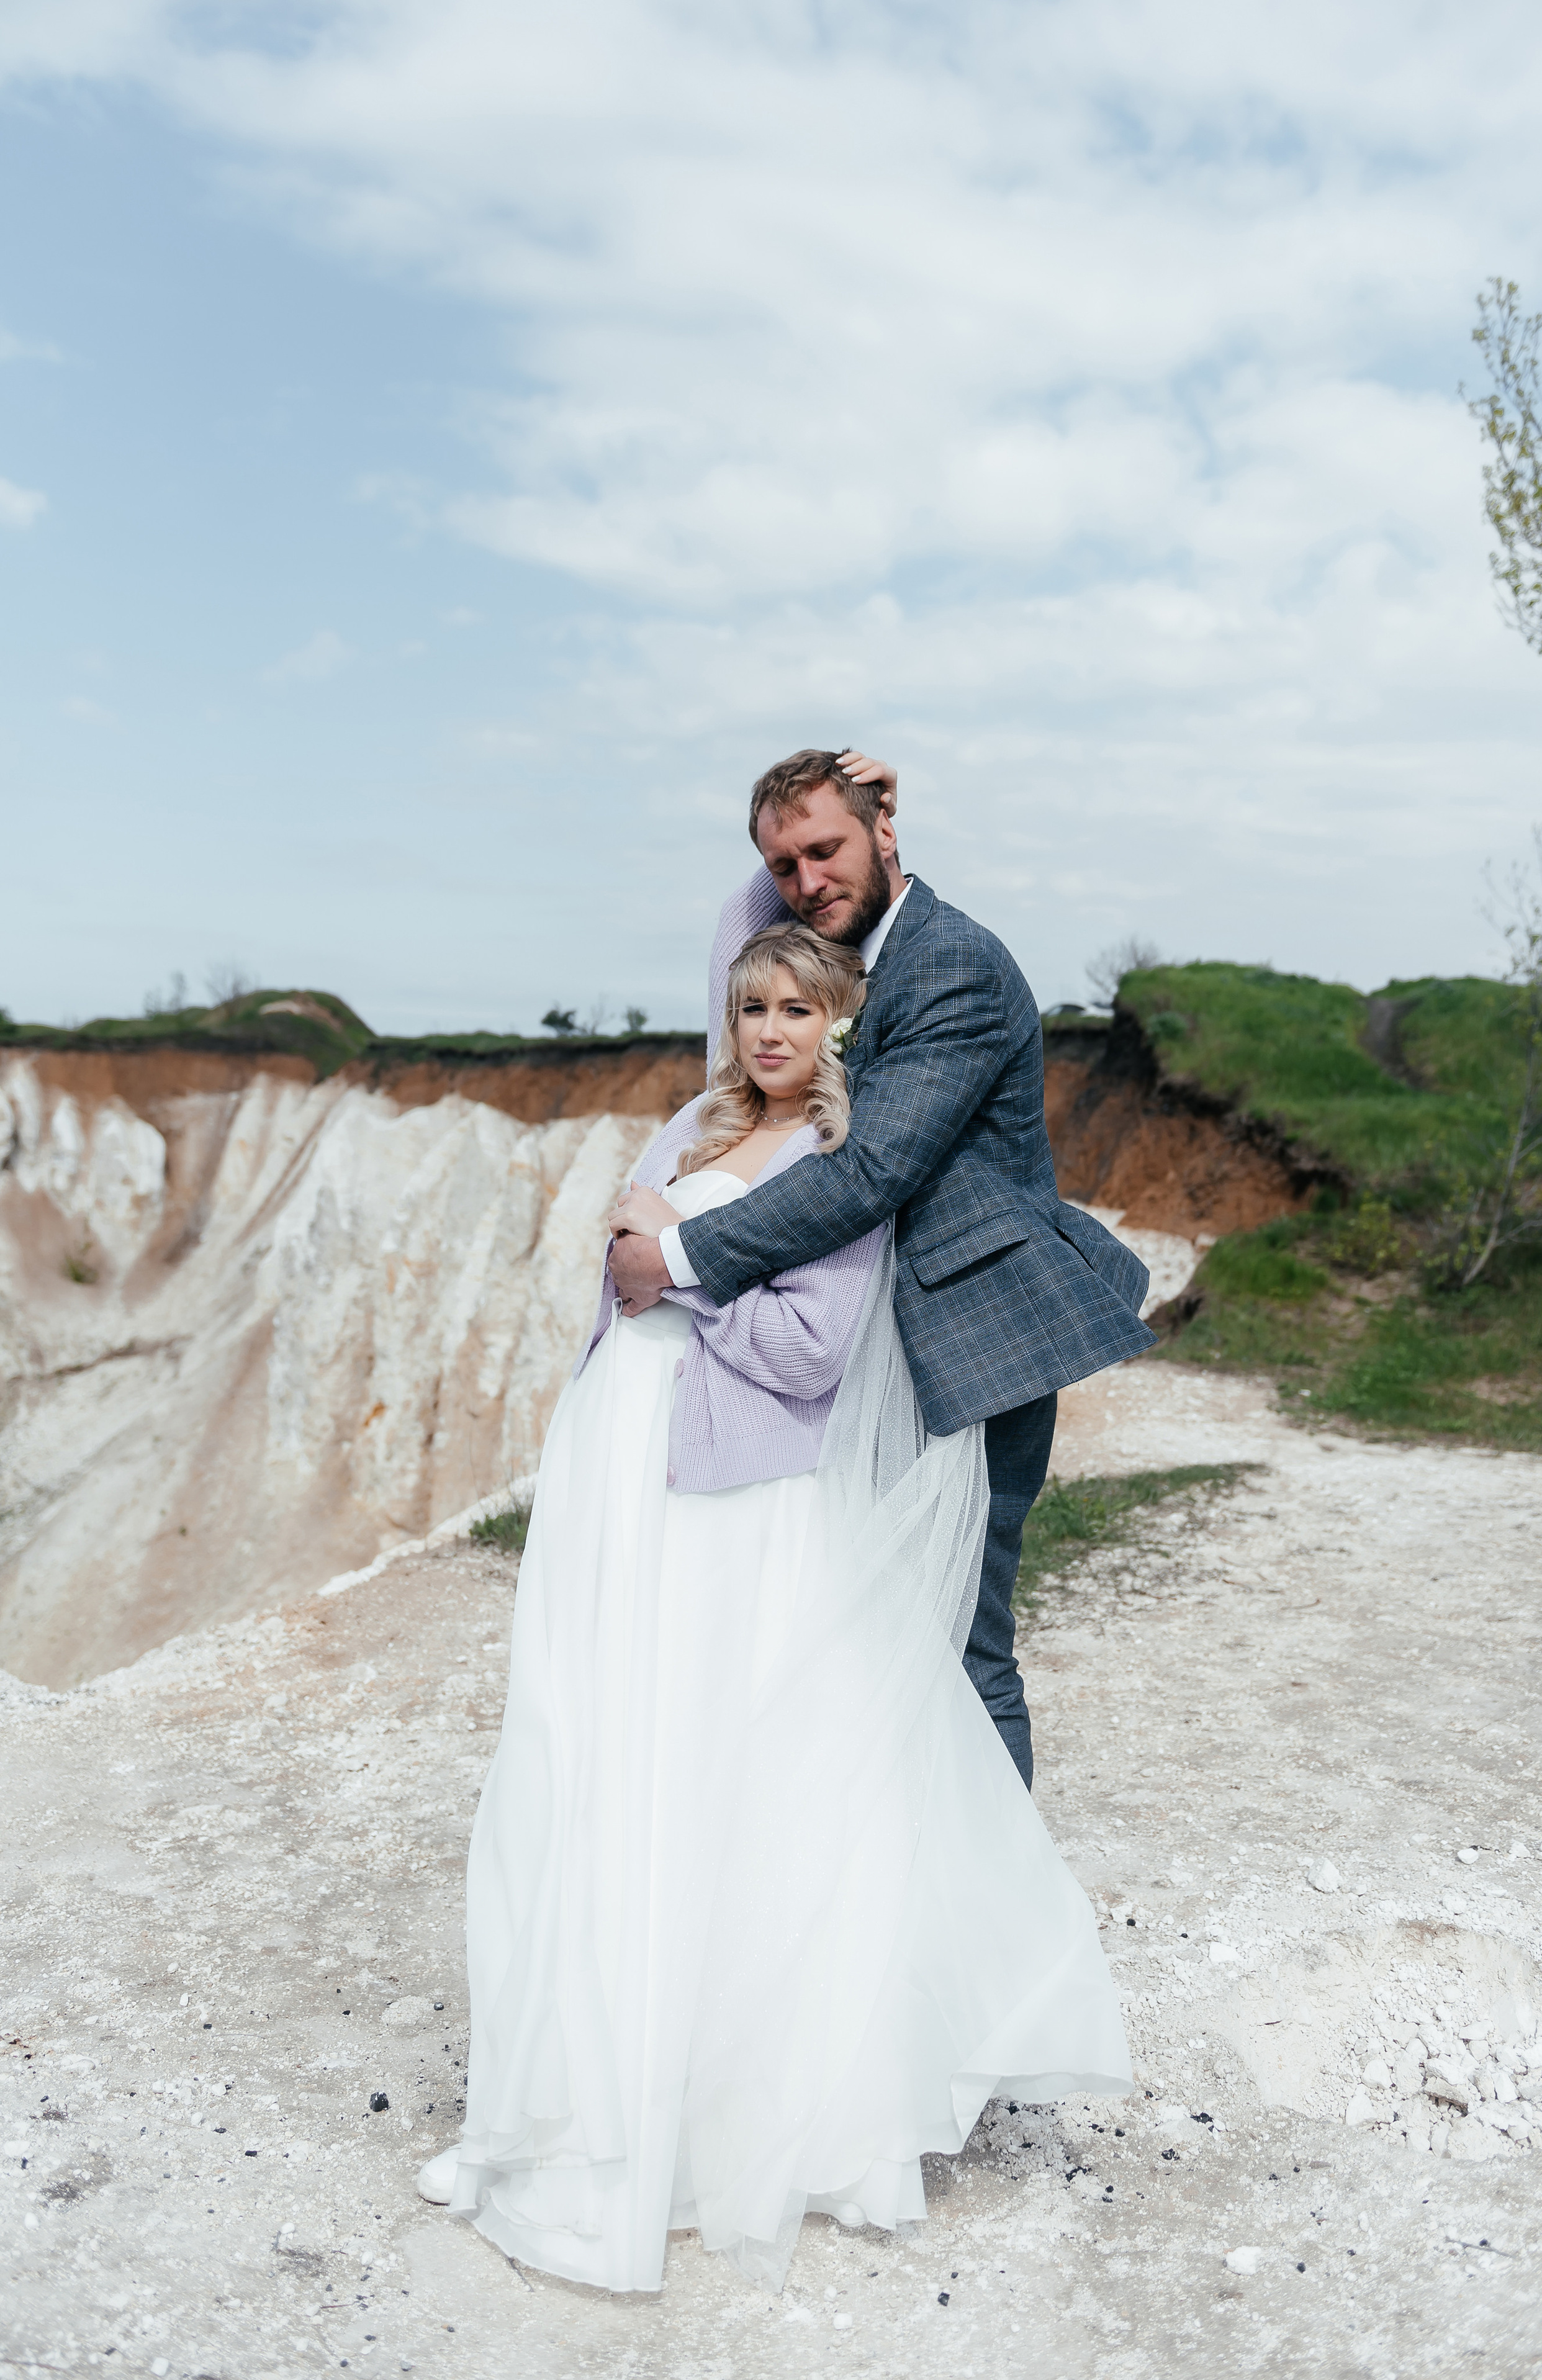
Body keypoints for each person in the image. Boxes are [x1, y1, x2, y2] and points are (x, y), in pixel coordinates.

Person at [417, 912, 1132, 2292]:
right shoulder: (689, 1121)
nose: (768, 1033)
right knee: (590, 1770)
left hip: (733, 1502)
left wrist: (676, 1274)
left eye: (798, 1011)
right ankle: (549, 2106)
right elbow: (609, 1280)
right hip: (621, 1482)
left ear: (838, 1029)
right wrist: (640, 1278)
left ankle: (712, 2122)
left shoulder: (832, 1162)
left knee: (722, 1785)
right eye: (752, 1007)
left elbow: (807, 1353)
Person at [610, 748, 1155, 1787]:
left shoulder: (949, 962)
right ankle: (912, 1887)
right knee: (877, 1633)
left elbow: (869, 1172)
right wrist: (812, 837)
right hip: (875, 1355)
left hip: (975, 1348)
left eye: (829, 848)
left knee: (962, 1643)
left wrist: (675, 1255)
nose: (807, 880)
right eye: (783, 863)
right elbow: (752, 932)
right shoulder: (845, 954)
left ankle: (995, 1922)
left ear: (886, 835)